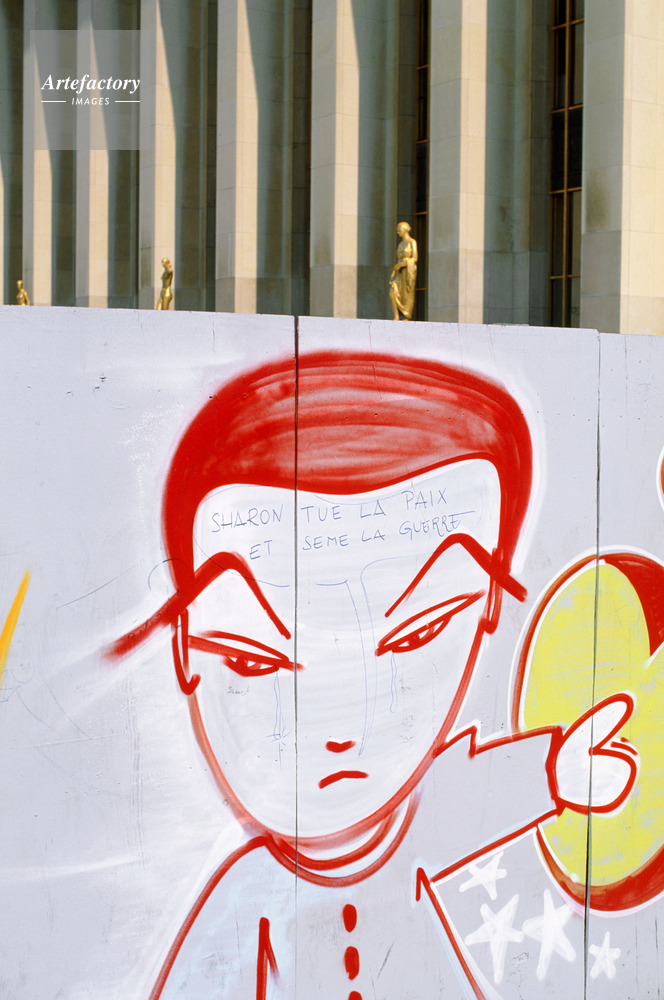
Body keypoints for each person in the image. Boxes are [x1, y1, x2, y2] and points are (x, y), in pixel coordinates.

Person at [109, 352, 637, 999]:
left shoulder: (414, 827)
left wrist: (552, 771)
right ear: (186, 653)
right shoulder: (247, 901)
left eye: (417, 635)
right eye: (254, 659)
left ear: (487, 611)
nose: (343, 728)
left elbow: (470, 793)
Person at [388, 222, 417, 320]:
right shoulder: (400, 244)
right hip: (399, 271)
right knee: (392, 291)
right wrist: (397, 267)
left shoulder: (412, 242)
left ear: (405, 230)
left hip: (409, 270)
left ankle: (406, 316)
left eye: (399, 230)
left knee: (407, 293)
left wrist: (401, 265)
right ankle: (396, 315)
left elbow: (415, 258)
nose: (398, 232)